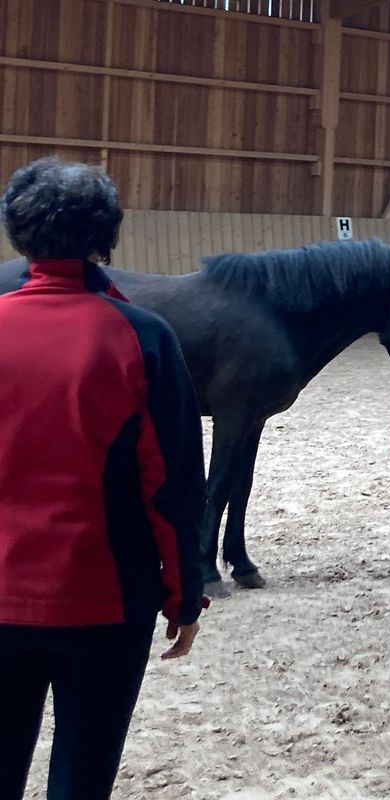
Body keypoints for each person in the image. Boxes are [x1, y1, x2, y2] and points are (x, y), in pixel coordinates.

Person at [0, 157, 208, 799]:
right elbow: (171, 485)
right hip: (104, 601)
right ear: (104, 236)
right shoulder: (141, 338)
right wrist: (183, 593)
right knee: (83, 777)